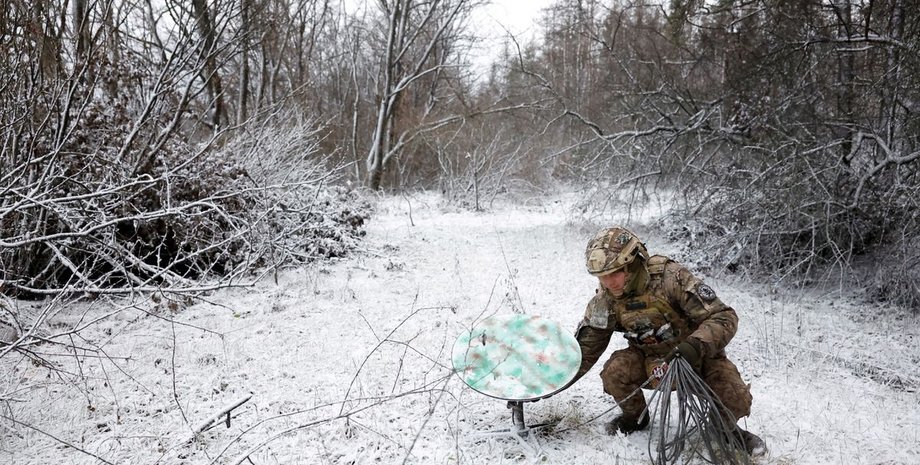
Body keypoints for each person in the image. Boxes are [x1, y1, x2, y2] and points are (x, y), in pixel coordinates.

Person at [572, 226, 766, 457]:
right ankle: (635, 419)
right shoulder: (605, 299)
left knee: (734, 396)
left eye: (615, 273)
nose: (608, 282)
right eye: (602, 276)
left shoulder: (671, 278)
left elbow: (724, 316)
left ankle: (725, 430)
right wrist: (545, 384)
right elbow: (586, 349)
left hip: (697, 358)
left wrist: (693, 347)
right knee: (615, 372)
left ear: (632, 264)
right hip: (650, 361)